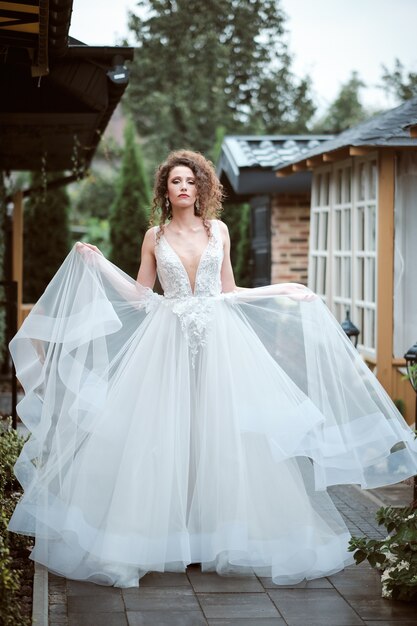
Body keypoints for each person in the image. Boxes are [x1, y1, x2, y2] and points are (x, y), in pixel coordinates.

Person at [8, 150, 417, 588]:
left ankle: (214, 537)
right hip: (166, 345)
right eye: (175, 182)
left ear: (202, 187)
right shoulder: (154, 236)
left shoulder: (217, 230)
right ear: (165, 191)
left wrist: (284, 289)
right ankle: (165, 537)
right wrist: (99, 266)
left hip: (220, 345)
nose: (183, 187)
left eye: (190, 181)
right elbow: (139, 297)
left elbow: (230, 290)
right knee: (166, 435)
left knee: (220, 436)